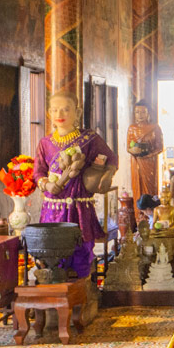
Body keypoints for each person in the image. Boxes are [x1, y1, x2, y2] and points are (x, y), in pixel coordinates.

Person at [32, 91, 118, 280]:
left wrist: (105, 175)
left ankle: (82, 294)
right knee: (53, 254)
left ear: (77, 113)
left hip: (80, 206)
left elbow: (112, 159)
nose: (59, 114)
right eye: (54, 110)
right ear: (49, 114)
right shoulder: (45, 143)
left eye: (66, 109)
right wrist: (46, 185)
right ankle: (55, 295)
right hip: (53, 208)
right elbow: (37, 172)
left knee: (82, 252)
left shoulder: (90, 139)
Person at [126, 101, 164, 221]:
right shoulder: (132, 128)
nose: (140, 115)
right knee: (137, 188)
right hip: (136, 162)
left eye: (143, 112)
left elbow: (160, 147)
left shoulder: (155, 128)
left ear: (148, 113)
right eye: (137, 112)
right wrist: (134, 150)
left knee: (150, 190)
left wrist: (147, 154)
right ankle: (139, 220)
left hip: (149, 163)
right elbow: (128, 147)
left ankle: (152, 219)